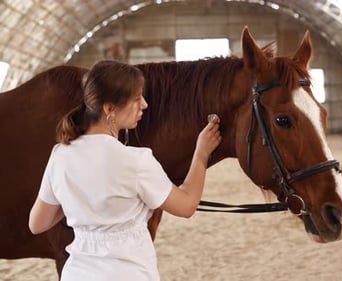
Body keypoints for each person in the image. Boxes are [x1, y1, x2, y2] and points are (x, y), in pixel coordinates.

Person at [28, 60, 221, 281]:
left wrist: (79, 198)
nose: (145, 105)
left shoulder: (60, 154)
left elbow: (37, 223)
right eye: (137, 98)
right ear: (109, 109)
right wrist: (201, 154)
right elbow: (186, 206)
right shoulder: (137, 161)